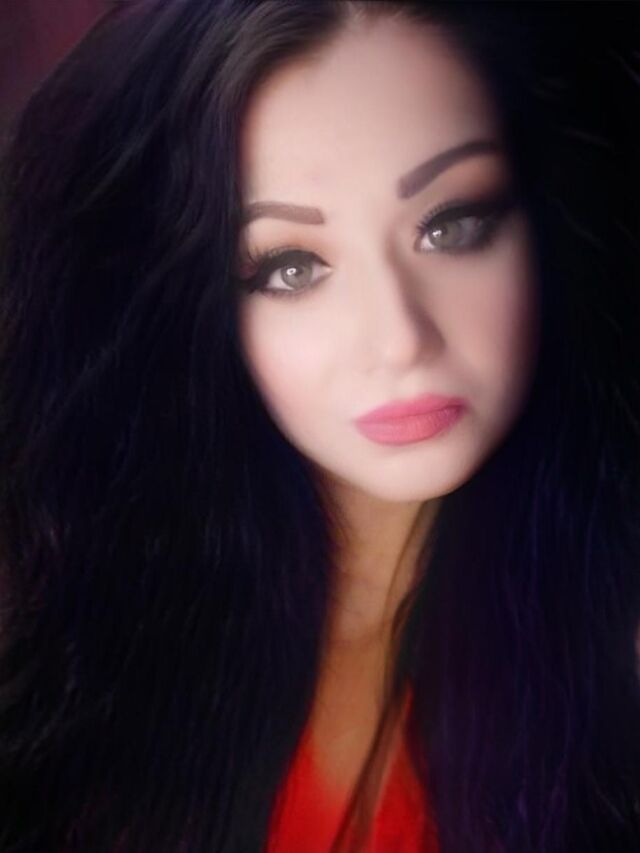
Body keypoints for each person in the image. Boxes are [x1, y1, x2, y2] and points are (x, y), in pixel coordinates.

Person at [0, 1, 638, 851]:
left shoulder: (616, 648)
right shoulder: (81, 665)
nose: (400, 338)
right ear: (183, 307)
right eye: (292, 267)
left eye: (452, 224)